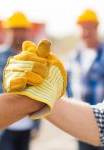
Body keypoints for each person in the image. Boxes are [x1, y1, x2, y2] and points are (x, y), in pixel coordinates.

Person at [0, 11, 40, 150]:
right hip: (2, 127)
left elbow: (40, 94)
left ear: (28, 32)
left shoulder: (35, 59)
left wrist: (37, 125)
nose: (19, 33)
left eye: (22, 29)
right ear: (8, 31)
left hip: (27, 127)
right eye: (15, 29)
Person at [66, 9, 104, 150]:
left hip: (102, 125)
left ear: (96, 28)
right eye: (83, 28)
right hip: (80, 124)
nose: (86, 32)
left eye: (90, 28)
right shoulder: (73, 56)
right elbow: (67, 85)